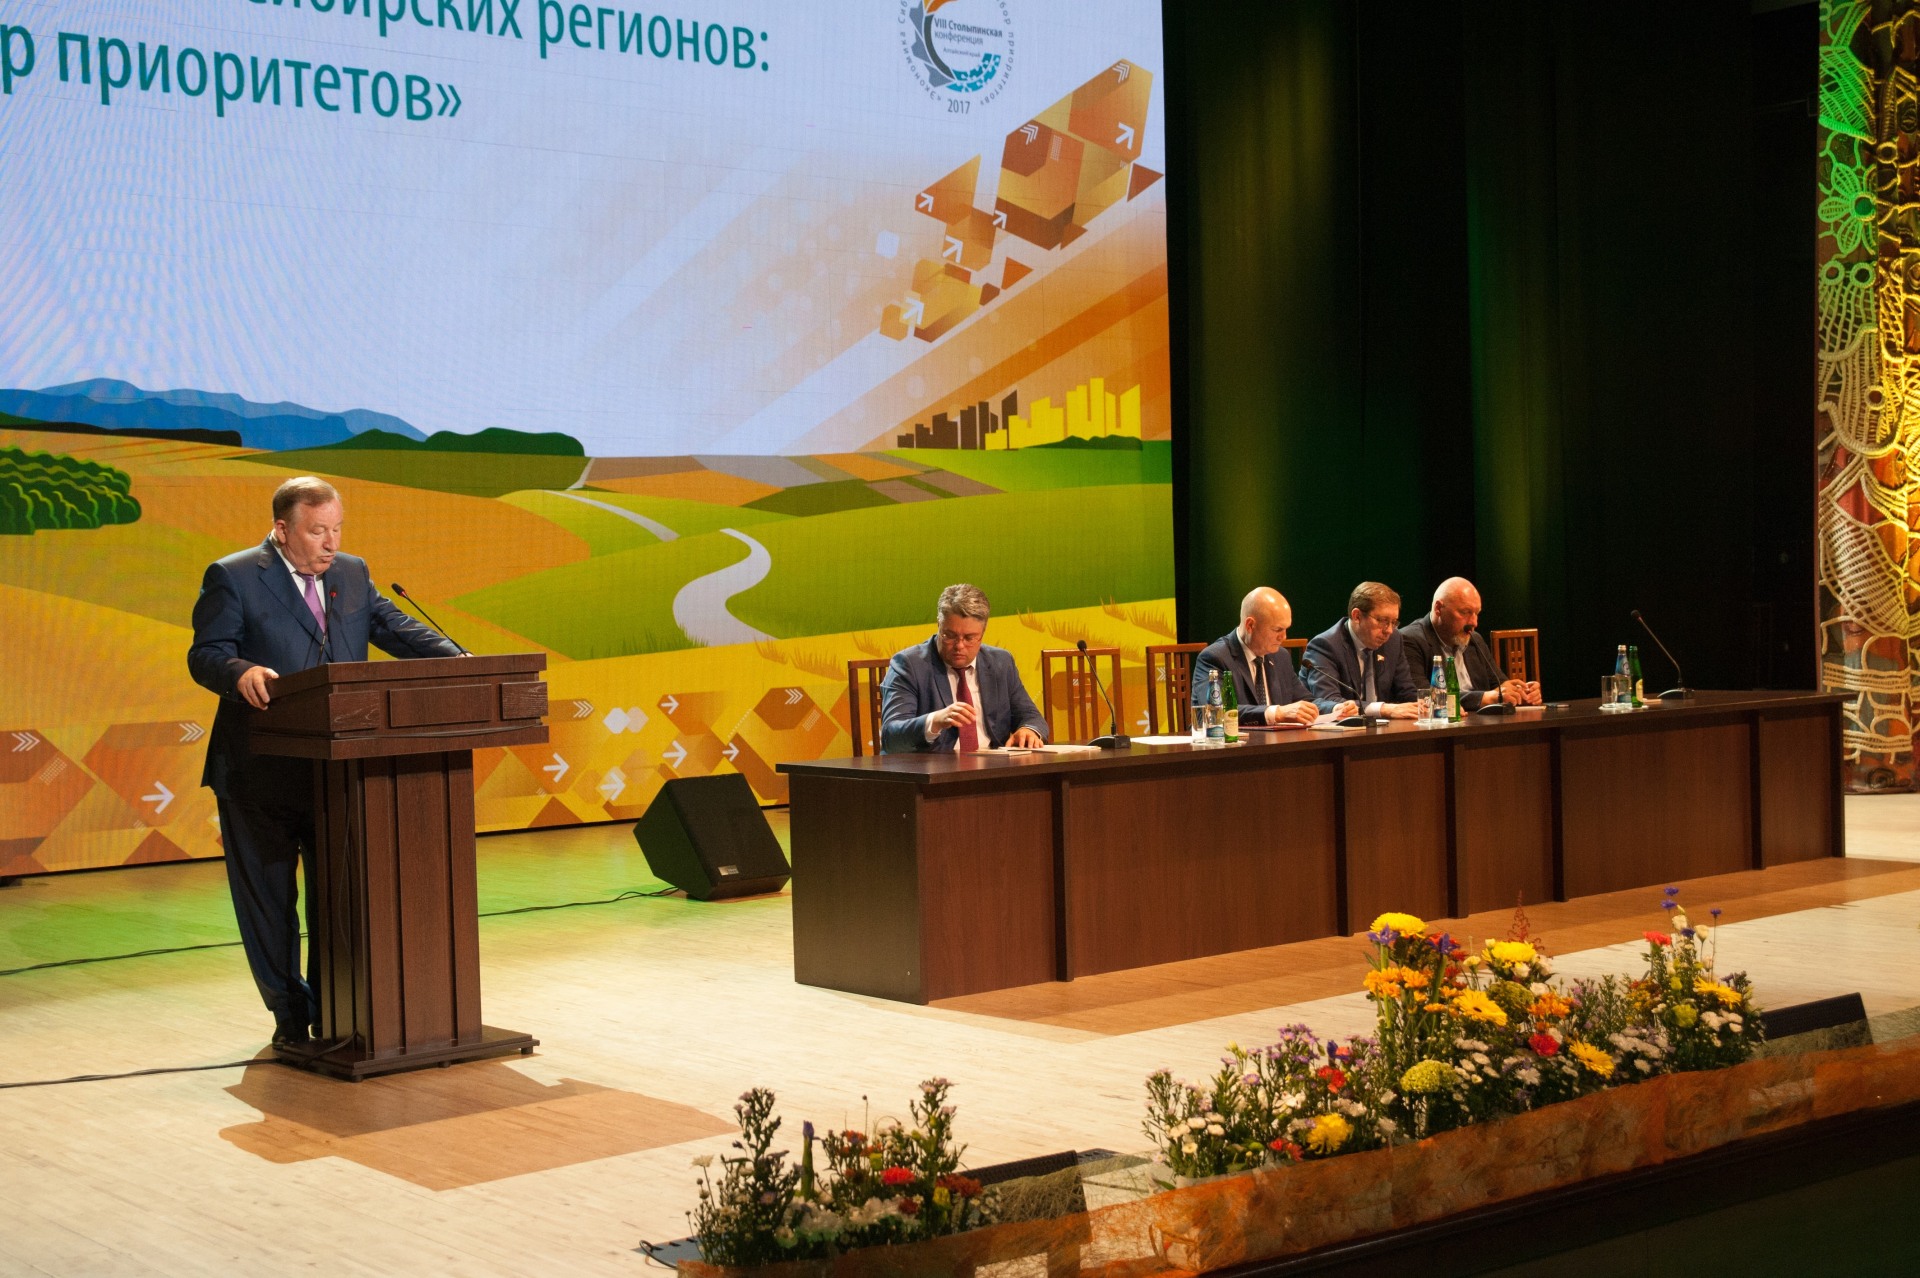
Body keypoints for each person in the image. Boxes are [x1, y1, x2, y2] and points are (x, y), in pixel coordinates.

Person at [188, 477, 461, 1046]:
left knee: (338, 898)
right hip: (259, 770)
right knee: (269, 905)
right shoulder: (234, 576)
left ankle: (338, 1011)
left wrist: (463, 662)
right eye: (318, 531)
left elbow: (396, 629)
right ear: (282, 529)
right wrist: (240, 672)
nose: (331, 543)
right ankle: (290, 1017)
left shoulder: (351, 574)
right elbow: (206, 653)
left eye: (337, 529)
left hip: (338, 770)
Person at [880, 583, 1048, 753]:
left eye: (969, 638)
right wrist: (934, 720)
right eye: (950, 635)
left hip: (994, 763)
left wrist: (1029, 730)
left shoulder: (1001, 662)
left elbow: (1031, 716)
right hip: (934, 765)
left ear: (983, 633)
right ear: (939, 625)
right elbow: (890, 736)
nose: (959, 646)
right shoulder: (908, 664)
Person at [1192, 587, 1356, 726]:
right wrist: (1276, 713)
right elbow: (1217, 711)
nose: (1284, 637)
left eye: (1286, 629)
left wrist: (1334, 708)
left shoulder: (1280, 657)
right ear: (1250, 625)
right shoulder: (1215, 658)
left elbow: (1305, 701)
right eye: (1277, 630)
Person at [1399, 577, 1542, 710]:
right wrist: (1483, 698)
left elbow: (1498, 684)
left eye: (1476, 613)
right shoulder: (1410, 639)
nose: (1474, 623)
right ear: (1438, 609)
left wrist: (1521, 693)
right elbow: (1422, 696)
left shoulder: (1474, 639)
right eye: (1465, 612)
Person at [1302, 582, 1426, 719]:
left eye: (1393, 622)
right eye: (1383, 620)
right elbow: (1330, 701)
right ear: (1357, 616)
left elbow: (1406, 691)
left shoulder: (1394, 640)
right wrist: (1383, 709)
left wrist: (1425, 705)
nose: (1389, 630)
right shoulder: (1325, 646)